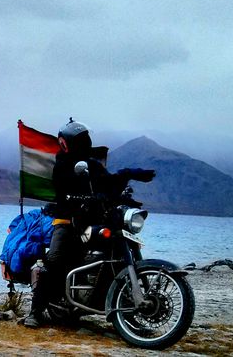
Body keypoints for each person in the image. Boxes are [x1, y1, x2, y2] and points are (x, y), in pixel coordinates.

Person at [23, 119, 154, 328]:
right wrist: (80, 198)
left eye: (86, 139)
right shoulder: (63, 166)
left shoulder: (91, 164)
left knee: (118, 250)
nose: (85, 142)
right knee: (55, 260)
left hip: (92, 219)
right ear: (68, 142)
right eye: (81, 139)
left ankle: (125, 307)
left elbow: (108, 182)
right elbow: (64, 192)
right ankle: (36, 312)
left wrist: (129, 174)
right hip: (67, 221)